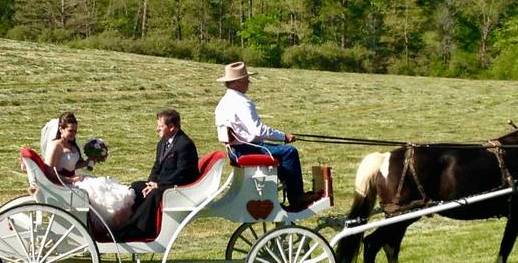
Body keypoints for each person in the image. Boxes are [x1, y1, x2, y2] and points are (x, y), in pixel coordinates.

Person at [214, 61, 317, 210]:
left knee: (280, 153)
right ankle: (297, 197)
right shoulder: (242, 102)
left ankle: (287, 187)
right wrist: (284, 136)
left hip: (235, 151)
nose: (248, 83)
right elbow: (258, 131)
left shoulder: (222, 103)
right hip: (248, 149)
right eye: (246, 80)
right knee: (289, 152)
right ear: (238, 82)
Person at [114, 108, 199, 241]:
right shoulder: (163, 143)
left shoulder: (184, 144)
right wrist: (150, 182)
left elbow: (183, 173)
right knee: (137, 187)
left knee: (155, 193)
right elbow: (156, 167)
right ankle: (127, 222)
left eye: (160, 126)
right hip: (163, 183)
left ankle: (137, 229)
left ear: (171, 127)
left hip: (179, 186)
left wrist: (158, 185)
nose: (157, 129)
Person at [42, 112, 135, 230]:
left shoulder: (71, 145)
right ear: (61, 128)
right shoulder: (56, 146)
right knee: (98, 193)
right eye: (71, 131)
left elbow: (73, 165)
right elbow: (50, 172)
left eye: (75, 131)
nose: (73, 134)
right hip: (64, 183)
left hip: (74, 180)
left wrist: (90, 160)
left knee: (107, 188)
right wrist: (70, 179)